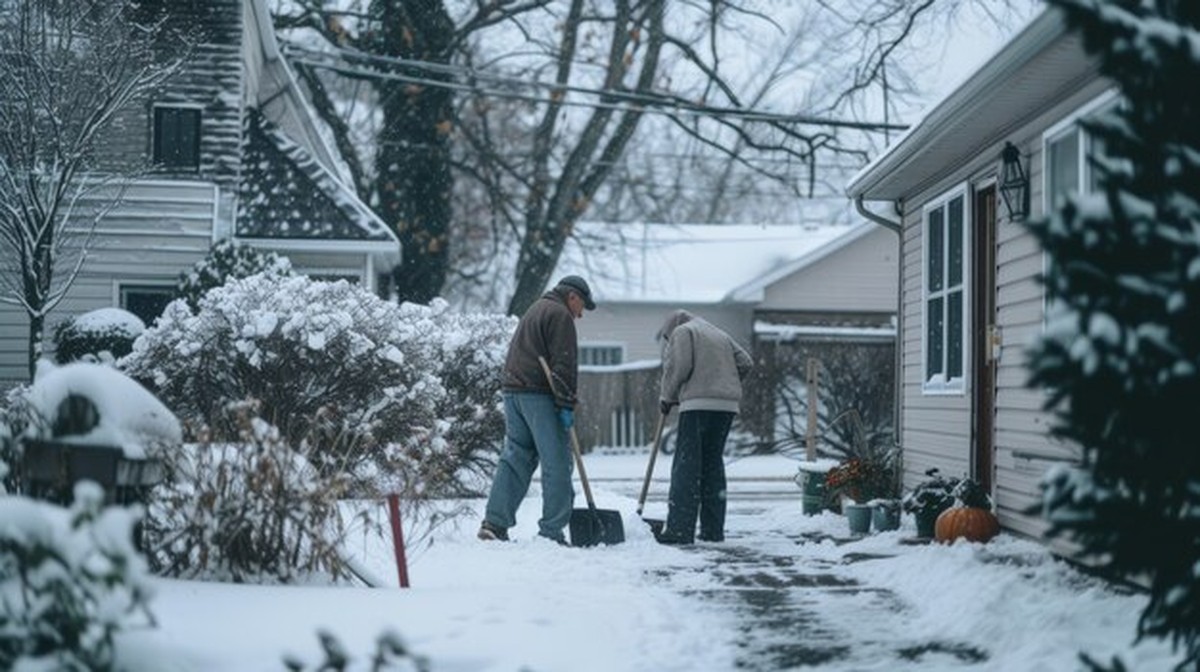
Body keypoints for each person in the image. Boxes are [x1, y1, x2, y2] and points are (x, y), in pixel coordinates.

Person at [478, 275, 596, 543]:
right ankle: (551, 531)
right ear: (573, 297)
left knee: (516, 458)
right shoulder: (560, 314)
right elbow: (564, 364)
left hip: (513, 392)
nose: (580, 315)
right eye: (582, 307)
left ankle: (494, 523)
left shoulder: (536, 308)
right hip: (539, 395)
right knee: (557, 463)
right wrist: (566, 403)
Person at [654, 310, 752, 545]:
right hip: (726, 406)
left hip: (697, 405)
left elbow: (679, 366)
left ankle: (680, 530)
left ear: (671, 330)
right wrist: (725, 383)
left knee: (686, 467)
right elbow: (746, 362)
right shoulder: (718, 333)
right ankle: (712, 530)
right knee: (712, 465)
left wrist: (667, 396)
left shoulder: (682, 331)